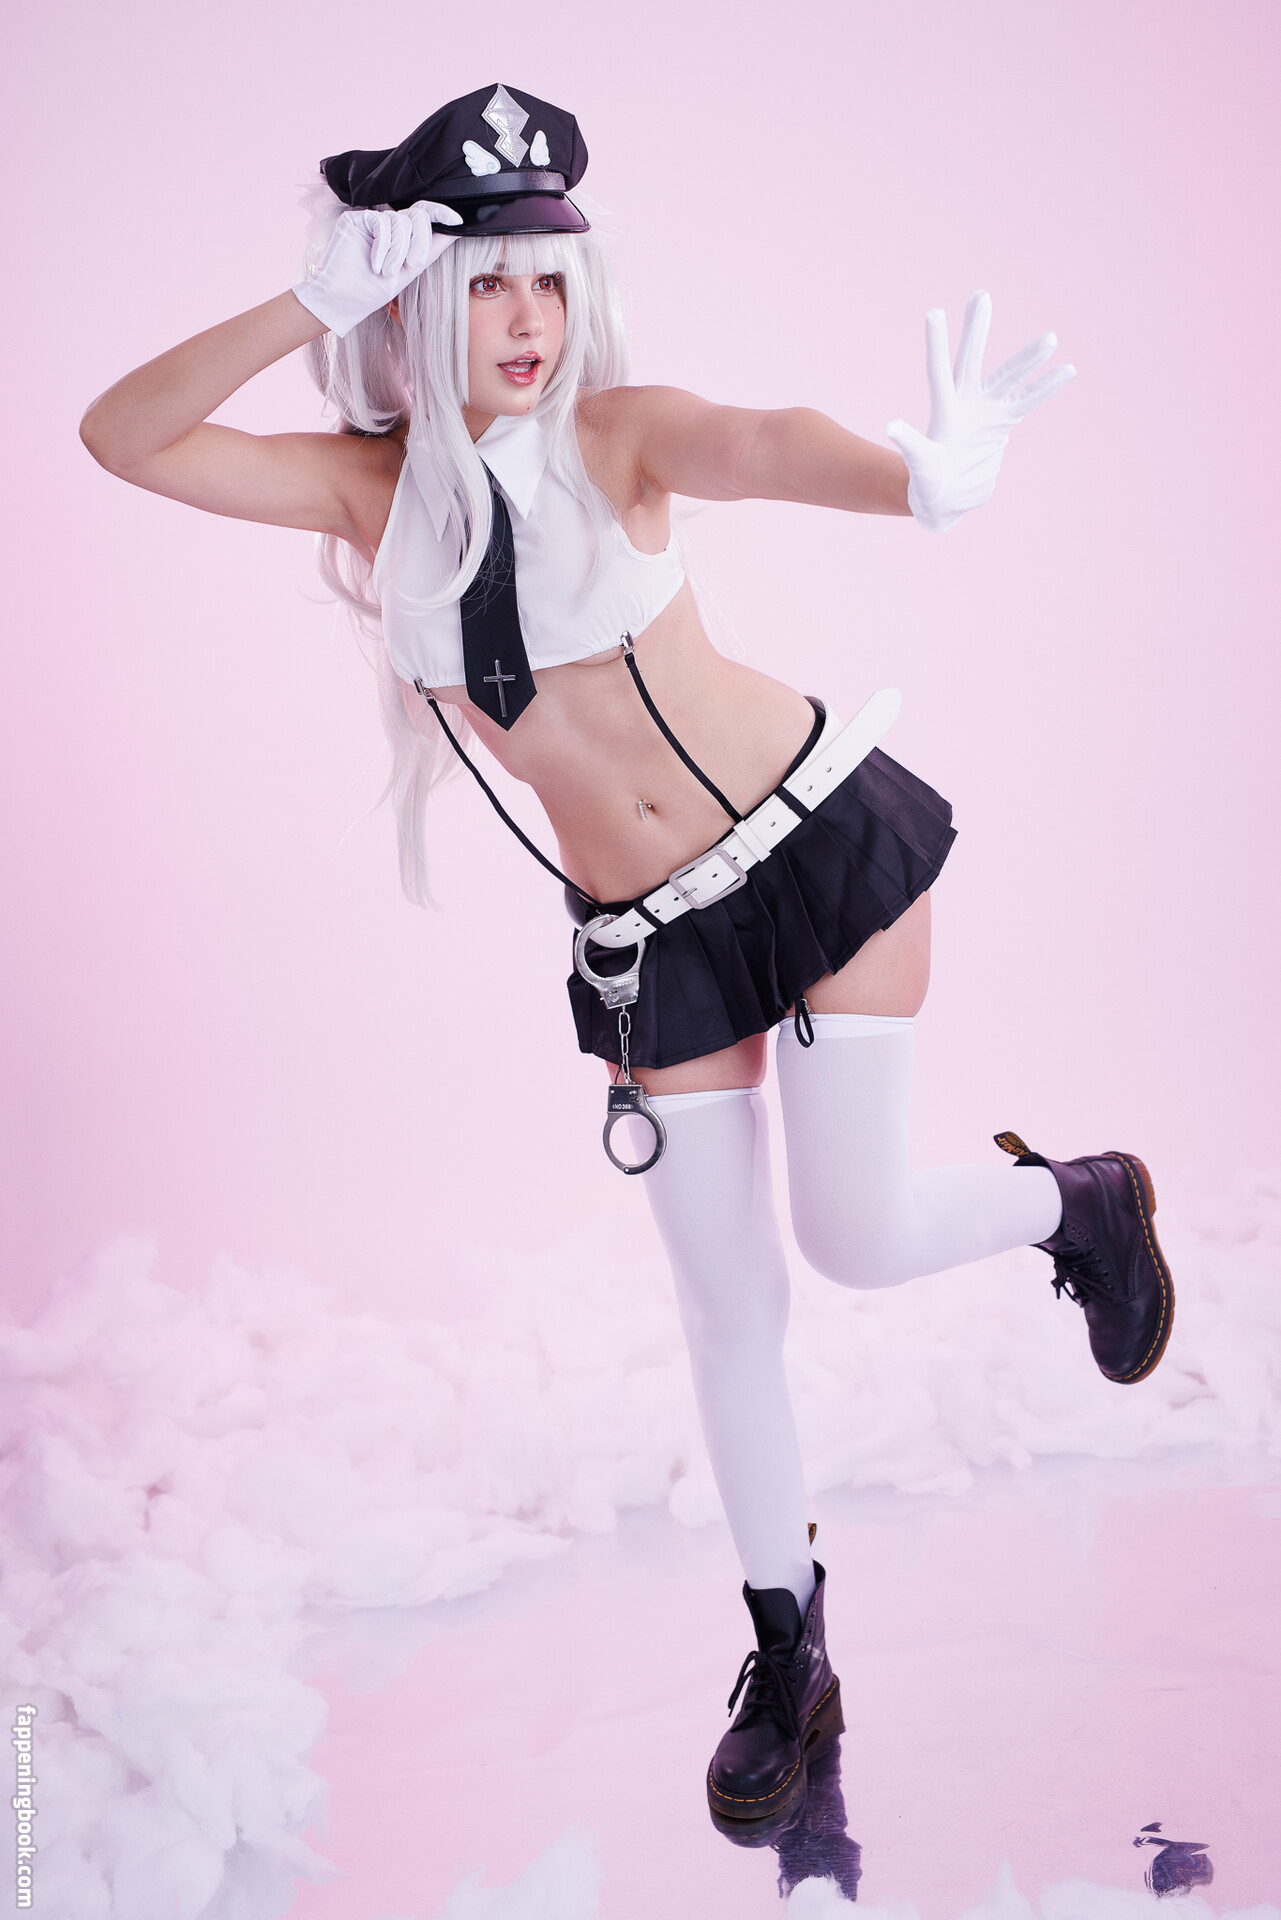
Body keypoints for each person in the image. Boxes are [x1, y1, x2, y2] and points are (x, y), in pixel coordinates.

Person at [80, 84, 1175, 1836]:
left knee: (856, 1234)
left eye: (549, 281)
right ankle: (787, 1651)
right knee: (726, 1307)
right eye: (484, 286)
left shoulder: (614, 436)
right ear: (415, 303)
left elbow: (760, 438)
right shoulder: (367, 495)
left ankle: (1082, 1204)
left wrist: (915, 479)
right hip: (648, 944)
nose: (527, 320)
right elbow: (123, 437)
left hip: (809, 849)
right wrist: (307, 298)